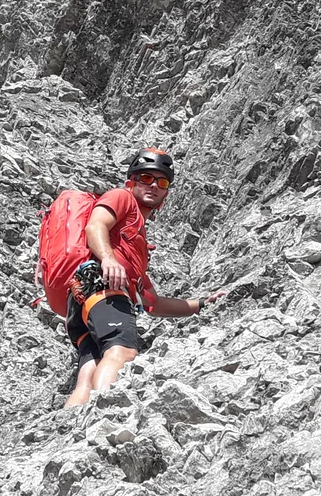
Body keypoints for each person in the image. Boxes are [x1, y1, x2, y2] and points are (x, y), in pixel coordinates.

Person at [63, 150, 220, 408]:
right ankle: (104, 415)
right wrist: (109, 259)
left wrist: (202, 304)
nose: (154, 186)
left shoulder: (134, 243)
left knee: (88, 373)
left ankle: (68, 431)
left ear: (166, 194)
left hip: (83, 299)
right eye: (146, 178)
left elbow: (153, 304)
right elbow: (95, 225)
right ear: (131, 182)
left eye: (162, 182)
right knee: (122, 351)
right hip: (104, 287)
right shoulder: (121, 197)